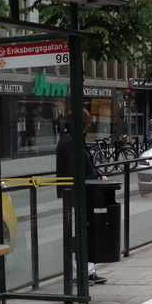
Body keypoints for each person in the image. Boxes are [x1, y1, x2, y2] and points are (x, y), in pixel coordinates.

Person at [56, 109, 107, 285]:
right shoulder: (71, 141)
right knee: (80, 232)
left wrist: (98, 175)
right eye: (87, 121)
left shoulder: (75, 139)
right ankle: (79, 273)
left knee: (87, 231)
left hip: (84, 191)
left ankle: (88, 270)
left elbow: (87, 163)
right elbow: (74, 170)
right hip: (78, 193)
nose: (89, 125)